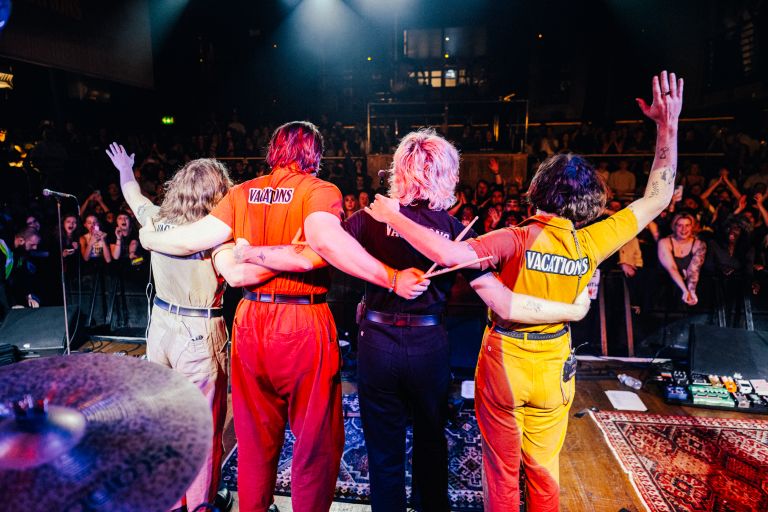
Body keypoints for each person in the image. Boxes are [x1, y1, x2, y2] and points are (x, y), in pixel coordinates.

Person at [367, 71, 683, 511]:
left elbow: (447, 253)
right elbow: (658, 197)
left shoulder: (513, 238)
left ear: (536, 189)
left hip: (505, 362)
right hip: (555, 366)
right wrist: (668, 126)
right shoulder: (592, 241)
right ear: (589, 200)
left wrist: (395, 216)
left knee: (501, 471)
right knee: (543, 469)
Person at [138, 121, 428, 512]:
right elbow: (324, 243)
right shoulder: (318, 190)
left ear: (273, 151)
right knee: (314, 442)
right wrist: (390, 278)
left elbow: (191, 239)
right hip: (300, 323)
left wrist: (148, 237)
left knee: (253, 438)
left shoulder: (240, 193)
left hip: (249, 320)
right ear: (315, 156)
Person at [344, 129, 591, 511]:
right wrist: (572, 309)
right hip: (428, 346)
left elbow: (324, 253)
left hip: (376, 340)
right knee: (431, 438)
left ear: (399, 170)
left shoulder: (370, 218)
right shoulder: (455, 231)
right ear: (446, 175)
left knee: (382, 446)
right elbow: (502, 303)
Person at [107, 145, 312, 512]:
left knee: (167, 422)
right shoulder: (214, 237)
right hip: (198, 336)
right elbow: (236, 274)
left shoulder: (155, 220)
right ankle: (202, 505)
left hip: (159, 332)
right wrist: (292, 255)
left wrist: (125, 168)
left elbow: (132, 194)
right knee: (202, 430)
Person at [657, 212, 706, 306]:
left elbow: (693, 271)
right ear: (674, 227)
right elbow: (672, 268)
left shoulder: (699, 244)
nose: (684, 229)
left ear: (692, 227)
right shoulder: (664, 242)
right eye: (680, 225)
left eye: (687, 225)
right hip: (666, 288)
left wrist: (691, 291)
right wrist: (685, 290)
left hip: (686, 286)